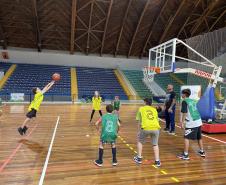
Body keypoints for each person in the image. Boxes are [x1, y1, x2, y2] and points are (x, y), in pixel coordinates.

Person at [177, 88, 205, 160]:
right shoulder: (192, 100)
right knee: (199, 137)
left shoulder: (184, 101)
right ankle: (202, 151)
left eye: (182, 93)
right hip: (198, 120)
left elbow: (185, 113)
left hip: (192, 122)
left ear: (184, 94)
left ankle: (185, 155)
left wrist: (182, 122)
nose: (181, 95)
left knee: (186, 138)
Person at [134, 98, 161, 167]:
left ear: (145, 102)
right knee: (155, 144)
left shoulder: (141, 109)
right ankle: (157, 161)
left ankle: (139, 158)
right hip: (156, 128)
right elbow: (157, 119)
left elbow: (139, 121)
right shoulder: (154, 109)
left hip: (146, 127)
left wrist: (139, 131)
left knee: (140, 141)